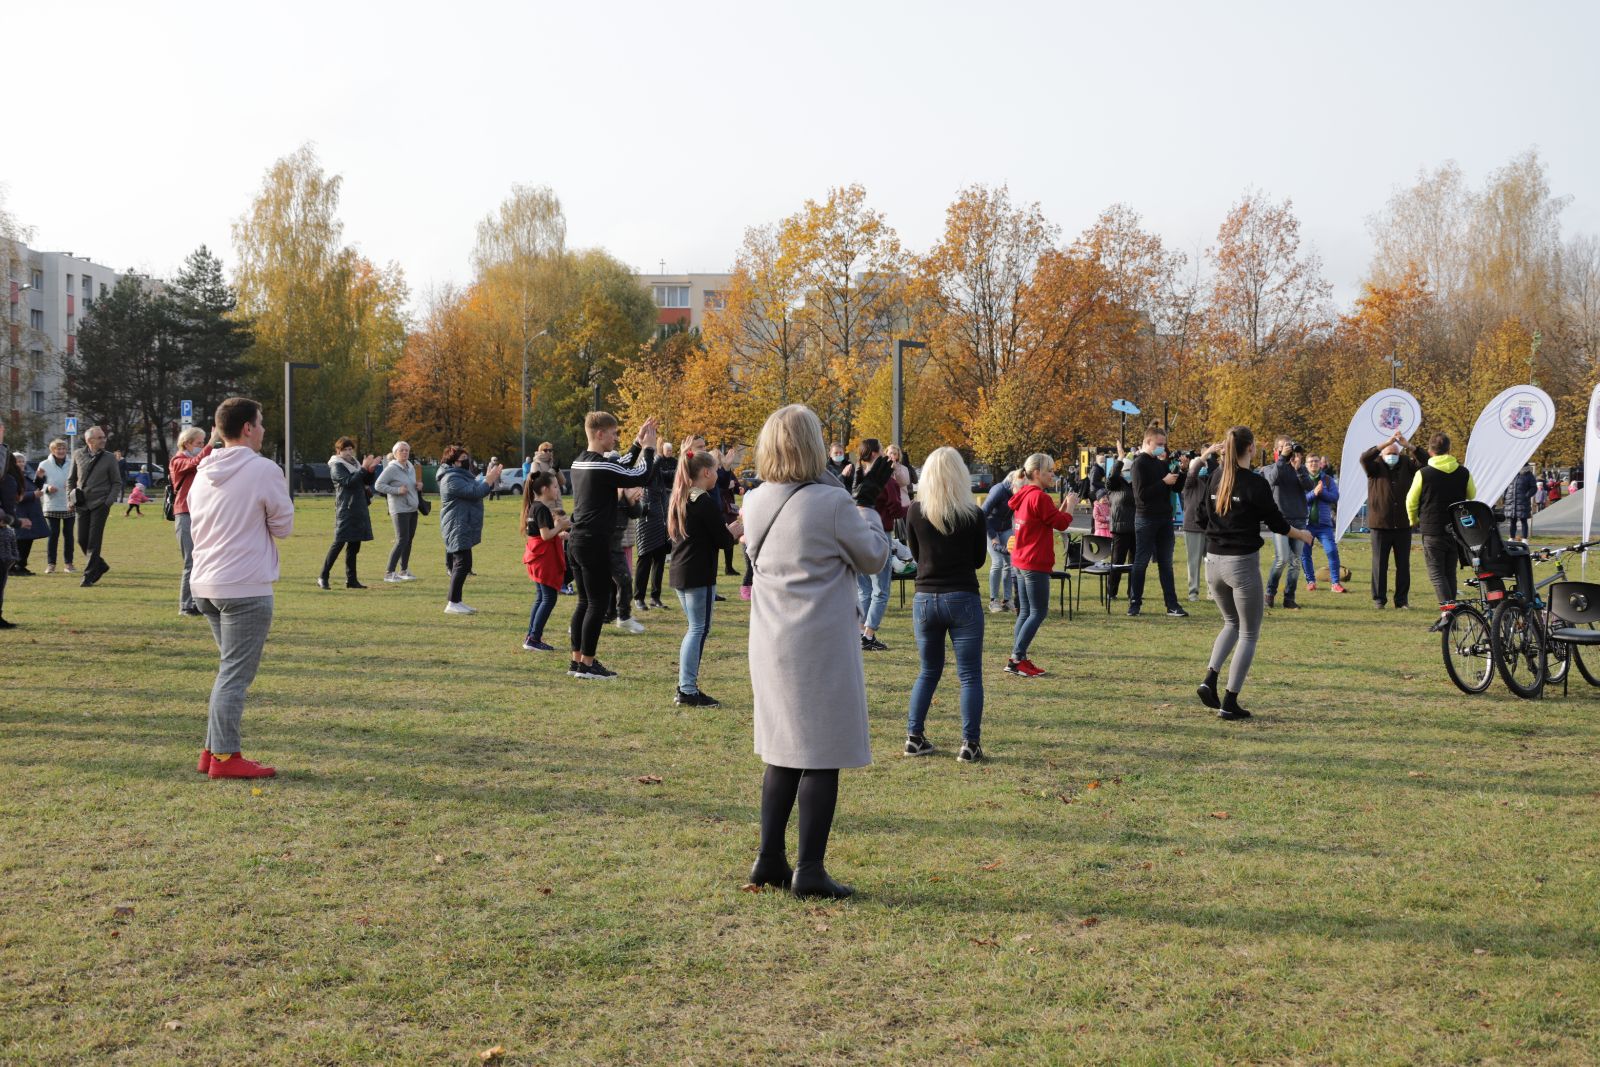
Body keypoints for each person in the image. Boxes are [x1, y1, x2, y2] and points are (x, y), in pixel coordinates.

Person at [741, 404, 889, 899]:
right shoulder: (832, 503)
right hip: (819, 641)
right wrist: (867, 506)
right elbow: (873, 557)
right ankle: (809, 868)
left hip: (771, 639)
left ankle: (769, 857)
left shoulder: (754, 500)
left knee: (782, 751)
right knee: (822, 754)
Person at [188, 397, 294, 779]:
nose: (263, 430)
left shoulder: (203, 470)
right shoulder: (263, 469)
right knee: (234, 676)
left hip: (205, 583)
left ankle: (211, 750)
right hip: (244, 586)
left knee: (227, 671)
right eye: (260, 423)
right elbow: (283, 526)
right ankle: (225, 756)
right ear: (247, 428)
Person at [1193, 426, 1315, 720]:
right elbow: (1277, 523)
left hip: (1213, 562)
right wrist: (1302, 534)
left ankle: (1209, 679)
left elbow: (1199, 515)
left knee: (1231, 623)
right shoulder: (1254, 483)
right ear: (1250, 448)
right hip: (1240, 564)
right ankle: (1229, 702)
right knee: (1248, 632)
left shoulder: (1216, 476)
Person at [904, 447, 988, 762]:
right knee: (969, 675)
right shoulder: (973, 514)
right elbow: (978, 560)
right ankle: (970, 744)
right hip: (963, 596)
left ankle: (914, 737)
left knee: (928, 671)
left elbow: (916, 554)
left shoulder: (915, 511)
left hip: (926, 598)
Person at [567, 411, 658, 679]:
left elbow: (621, 465)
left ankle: (577, 661)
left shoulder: (580, 461)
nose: (616, 438)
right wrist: (650, 449)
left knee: (584, 602)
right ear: (600, 434)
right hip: (595, 542)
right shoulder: (602, 467)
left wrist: (638, 443)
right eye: (614, 433)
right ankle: (588, 665)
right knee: (597, 603)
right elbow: (640, 475)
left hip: (577, 540)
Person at [668, 442, 743, 707]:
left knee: (694, 629)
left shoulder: (682, 496)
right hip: (698, 573)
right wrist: (736, 530)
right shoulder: (704, 501)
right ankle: (687, 689)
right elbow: (722, 540)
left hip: (681, 572)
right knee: (698, 629)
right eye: (715, 470)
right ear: (707, 472)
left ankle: (686, 686)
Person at [1006, 453, 1080, 677]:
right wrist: (1071, 507)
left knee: (1026, 612)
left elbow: (1050, 520)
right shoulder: (1039, 497)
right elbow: (1061, 524)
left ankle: (1018, 658)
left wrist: (1063, 507)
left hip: (1021, 560)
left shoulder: (1024, 494)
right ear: (1037, 473)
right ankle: (1016, 658)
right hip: (1034, 561)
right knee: (1038, 612)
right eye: (1049, 471)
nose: (1053, 475)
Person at [1407, 432, 1476, 632]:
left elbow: (1411, 500)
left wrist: (1413, 520)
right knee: (1449, 572)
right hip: (1455, 529)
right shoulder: (1463, 472)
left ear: (1430, 451)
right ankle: (1450, 616)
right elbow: (1472, 494)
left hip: (1432, 528)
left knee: (1437, 574)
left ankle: (1448, 615)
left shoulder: (1424, 473)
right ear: (1449, 449)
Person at [847, 438, 905, 651]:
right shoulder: (884, 480)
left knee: (864, 588)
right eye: (881, 450)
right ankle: (868, 635)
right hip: (880, 534)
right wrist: (912, 508)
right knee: (880, 589)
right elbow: (896, 510)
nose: (884, 453)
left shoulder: (858, 475)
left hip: (858, 533)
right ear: (873, 453)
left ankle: (860, 632)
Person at [1126, 425, 1187, 618]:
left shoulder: (1161, 464)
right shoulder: (1139, 464)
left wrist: (1182, 471)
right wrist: (1163, 482)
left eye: (1164, 444)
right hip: (1146, 517)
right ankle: (1135, 603)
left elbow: (1175, 488)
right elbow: (1141, 495)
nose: (1162, 448)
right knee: (1141, 561)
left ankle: (1172, 604)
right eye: (1159, 444)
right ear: (1148, 442)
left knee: (1166, 563)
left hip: (1164, 518)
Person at [437, 444, 502, 614]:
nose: (467, 462)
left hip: (462, 523)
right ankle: (452, 603)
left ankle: (456, 601)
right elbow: (474, 493)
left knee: (464, 564)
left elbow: (477, 488)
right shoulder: (451, 478)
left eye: (468, 459)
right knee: (462, 564)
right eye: (463, 460)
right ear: (453, 462)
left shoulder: (462, 476)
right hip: (456, 524)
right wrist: (489, 480)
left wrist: (488, 480)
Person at [1359, 430, 1419, 610]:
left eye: (1395, 453)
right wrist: (1386, 444)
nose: (1392, 456)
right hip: (1380, 524)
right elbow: (1364, 458)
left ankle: (1402, 600)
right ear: (1382, 454)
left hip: (1403, 524)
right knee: (1379, 564)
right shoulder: (1375, 467)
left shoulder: (1407, 465)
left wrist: (1408, 446)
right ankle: (1379, 599)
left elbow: (1425, 462)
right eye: (1389, 453)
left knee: (1403, 565)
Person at [319, 437, 380, 590]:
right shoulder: (336, 466)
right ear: (338, 451)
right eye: (345, 449)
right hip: (345, 510)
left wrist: (370, 470)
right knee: (338, 544)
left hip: (359, 508)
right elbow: (349, 482)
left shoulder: (356, 464)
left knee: (354, 546)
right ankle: (323, 576)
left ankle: (351, 580)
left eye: (350, 449)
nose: (348, 452)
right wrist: (363, 468)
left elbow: (366, 481)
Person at [66, 425, 121, 587]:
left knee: (94, 542)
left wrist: (108, 502)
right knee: (82, 539)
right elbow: (71, 479)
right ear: (89, 440)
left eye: (104, 437)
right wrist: (70, 499)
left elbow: (116, 482)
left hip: (100, 504)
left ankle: (88, 575)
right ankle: (101, 565)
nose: (104, 440)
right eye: (100, 438)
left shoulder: (109, 458)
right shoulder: (78, 454)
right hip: (81, 504)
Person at [1261, 437, 1312, 610]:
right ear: (1276, 450)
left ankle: (1289, 598)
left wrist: (1299, 469)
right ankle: (1269, 593)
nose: (1287, 450)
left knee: (1295, 562)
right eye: (1283, 447)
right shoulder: (1270, 468)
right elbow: (1272, 479)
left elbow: (1309, 486)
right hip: (1280, 520)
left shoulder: (1299, 468)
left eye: (1289, 447)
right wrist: (1282, 458)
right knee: (1281, 559)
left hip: (1299, 519)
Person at [521, 471, 570, 651]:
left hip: (537, 556)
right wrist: (560, 526)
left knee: (541, 597)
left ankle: (531, 636)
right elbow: (545, 535)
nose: (558, 489)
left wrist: (559, 534)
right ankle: (534, 638)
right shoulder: (541, 508)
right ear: (544, 489)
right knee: (548, 598)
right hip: (543, 558)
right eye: (555, 486)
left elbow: (543, 533)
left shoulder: (533, 506)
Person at [167, 426, 212, 615]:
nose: (202, 446)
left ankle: (199, 602)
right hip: (185, 513)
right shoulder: (178, 461)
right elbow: (195, 462)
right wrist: (211, 444)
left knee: (203, 560)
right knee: (191, 561)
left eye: (203, 442)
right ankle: (186, 605)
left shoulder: (200, 459)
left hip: (201, 513)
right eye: (199, 443)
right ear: (187, 444)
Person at [633, 440, 675, 613]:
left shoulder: (658, 473)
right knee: (644, 560)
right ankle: (639, 597)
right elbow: (649, 474)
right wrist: (655, 455)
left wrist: (686, 457)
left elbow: (673, 474)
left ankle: (655, 597)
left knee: (659, 560)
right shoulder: (643, 472)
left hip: (661, 520)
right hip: (646, 522)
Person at [374, 441, 422, 582]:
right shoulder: (391, 469)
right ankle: (389, 573)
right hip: (399, 509)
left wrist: (418, 486)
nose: (405, 452)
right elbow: (378, 485)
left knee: (408, 540)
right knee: (402, 540)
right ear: (395, 454)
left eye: (407, 450)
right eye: (401, 450)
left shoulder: (410, 467)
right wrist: (397, 490)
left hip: (412, 508)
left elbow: (410, 485)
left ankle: (403, 570)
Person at [1299, 455, 1345, 593]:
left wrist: (1322, 492)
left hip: (1324, 524)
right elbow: (1299, 501)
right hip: (1306, 524)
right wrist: (1314, 493)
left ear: (1320, 464)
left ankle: (1335, 583)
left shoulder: (1328, 480)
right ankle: (1311, 581)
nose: (1313, 463)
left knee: (1332, 551)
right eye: (1310, 461)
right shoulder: (1300, 479)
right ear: (1306, 464)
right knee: (1305, 553)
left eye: (1316, 461)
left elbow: (1335, 497)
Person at [607, 486, 646, 632]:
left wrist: (631, 501)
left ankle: (620, 615)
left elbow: (636, 513)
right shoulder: (610, 492)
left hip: (617, 543)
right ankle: (620, 616)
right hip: (603, 542)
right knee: (602, 586)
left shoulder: (626, 495)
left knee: (624, 580)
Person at [35, 438, 75, 574]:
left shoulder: (72, 463)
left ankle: (69, 564)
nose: (61, 451)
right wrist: (47, 488)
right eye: (58, 449)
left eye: (63, 448)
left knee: (69, 535)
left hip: (69, 503)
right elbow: (37, 484)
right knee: (53, 535)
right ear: (52, 450)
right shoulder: (44, 464)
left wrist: (72, 486)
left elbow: (79, 479)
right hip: (51, 504)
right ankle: (51, 564)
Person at [981, 470, 1018, 612]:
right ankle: (993, 600)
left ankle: (1007, 600)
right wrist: (992, 535)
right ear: (1012, 483)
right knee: (998, 563)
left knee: (1010, 563)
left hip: (1006, 529)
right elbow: (983, 513)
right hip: (991, 528)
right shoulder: (999, 490)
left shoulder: (1017, 493)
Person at [1104, 449, 1136, 601]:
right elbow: (1111, 477)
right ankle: (1111, 592)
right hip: (1120, 528)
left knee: (1135, 563)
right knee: (1117, 561)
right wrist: (1120, 460)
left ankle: (1133, 592)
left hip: (1136, 528)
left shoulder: (1136, 484)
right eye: (1127, 471)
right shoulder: (1115, 485)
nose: (1130, 474)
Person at [7, 451, 45, 575]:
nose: (21, 464)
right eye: (18, 461)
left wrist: (39, 478)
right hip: (20, 513)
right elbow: (15, 496)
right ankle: (14, 567)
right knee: (20, 542)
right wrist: (32, 495)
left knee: (27, 541)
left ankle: (22, 566)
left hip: (31, 512)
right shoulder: (10, 477)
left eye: (23, 461)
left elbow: (35, 487)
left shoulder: (25, 475)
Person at [1179, 452, 1210, 602]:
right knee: (1194, 562)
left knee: (1211, 561)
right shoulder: (1189, 482)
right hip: (1193, 526)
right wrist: (1205, 455)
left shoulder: (1209, 482)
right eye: (1201, 466)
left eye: (1205, 466)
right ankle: (1193, 593)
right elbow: (1192, 473)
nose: (1203, 468)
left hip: (1209, 527)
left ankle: (1212, 592)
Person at [1505, 463, 1538, 544]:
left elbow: (1534, 488)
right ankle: (1512, 537)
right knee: (1512, 520)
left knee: (1523, 520)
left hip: (1522, 501)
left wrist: (1526, 496)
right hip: (1511, 501)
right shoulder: (1513, 474)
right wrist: (1506, 496)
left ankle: (1524, 539)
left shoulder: (1529, 475)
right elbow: (1506, 486)